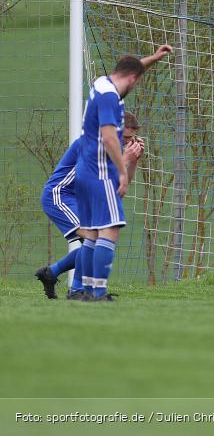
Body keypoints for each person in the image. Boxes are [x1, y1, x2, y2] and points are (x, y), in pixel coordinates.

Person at [75, 45, 171, 302]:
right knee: (111, 228)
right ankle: (98, 292)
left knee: (93, 232)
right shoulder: (109, 97)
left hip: (85, 170)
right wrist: (122, 171)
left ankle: (85, 291)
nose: (134, 86)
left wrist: (153, 58)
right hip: (100, 171)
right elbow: (108, 138)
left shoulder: (102, 83)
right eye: (135, 82)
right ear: (131, 79)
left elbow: (131, 70)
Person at [34, 112, 143, 299]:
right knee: (91, 237)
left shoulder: (114, 149)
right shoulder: (93, 143)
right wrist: (125, 158)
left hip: (81, 198)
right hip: (60, 195)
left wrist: (133, 161)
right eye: (124, 137)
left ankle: (51, 273)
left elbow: (122, 182)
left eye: (130, 139)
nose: (127, 142)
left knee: (95, 239)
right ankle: (77, 291)